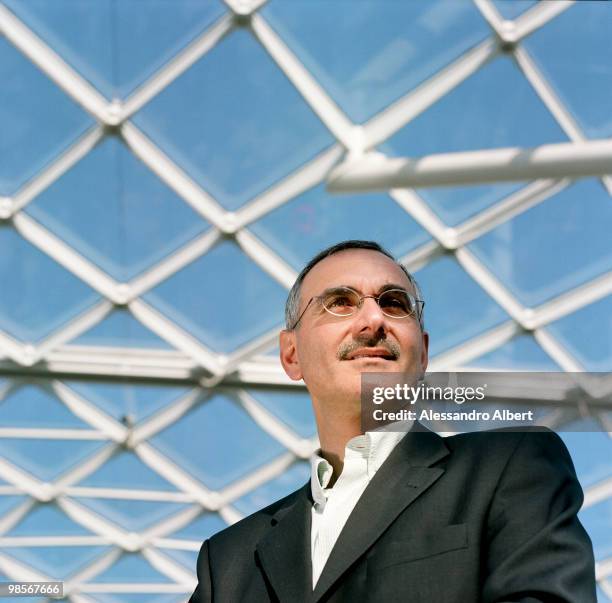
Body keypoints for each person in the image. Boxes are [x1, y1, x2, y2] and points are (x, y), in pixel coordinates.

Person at [189, 240, 596, 602]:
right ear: (291, 354)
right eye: (340, 302)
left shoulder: (510, 466)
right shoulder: (227, 561)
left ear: (423, 353)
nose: (373, 320)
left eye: (394, 303)